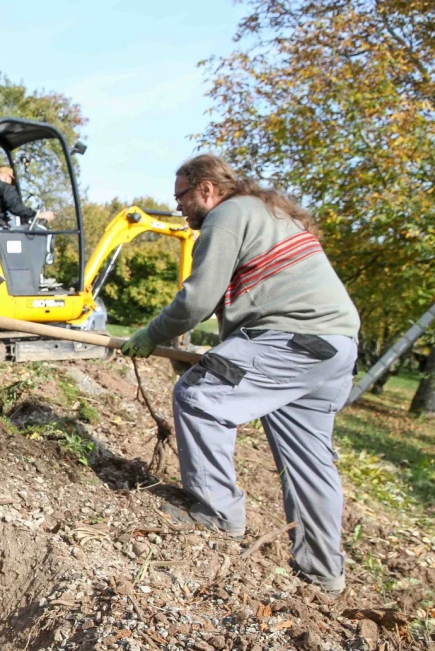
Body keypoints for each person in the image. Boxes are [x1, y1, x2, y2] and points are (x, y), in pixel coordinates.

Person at [121, 154, 359, 599]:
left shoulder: (228, 215)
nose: (179, 208)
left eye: (182, 196)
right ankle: (323, 575)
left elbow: (197, 300)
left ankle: (216, 516)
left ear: (207, 189)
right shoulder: (267, 213)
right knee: (309, 463)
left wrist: (152, 333)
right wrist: (210, 355)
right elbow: (259, 301)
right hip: (333, 346)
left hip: (294, 340)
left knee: (198, 398)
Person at [0, 165, 55, 229]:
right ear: (6, 177)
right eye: (11, 182)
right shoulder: (4, 186)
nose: (11, 184)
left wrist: (3, 217)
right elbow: (16, 208)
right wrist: (38, 215)